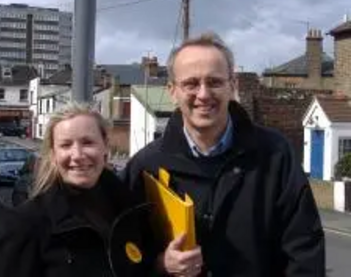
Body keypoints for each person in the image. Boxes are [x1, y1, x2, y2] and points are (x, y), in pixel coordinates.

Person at [120, 32, 325, 276]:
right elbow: (120, 253)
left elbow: (304, 251)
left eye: (215, 82)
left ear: (233, 86)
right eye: (191, 83)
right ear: (172, 90)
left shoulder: (275, 155)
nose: (204, 94)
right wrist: (160, 265)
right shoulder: (146, 165)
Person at [0, 103, 163, 277]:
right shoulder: (29, 223)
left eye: (88, 142)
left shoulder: (130, 208)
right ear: (53, 154)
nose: (77, 155)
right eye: (66, 145)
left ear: (105, 146)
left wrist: (162, 266)